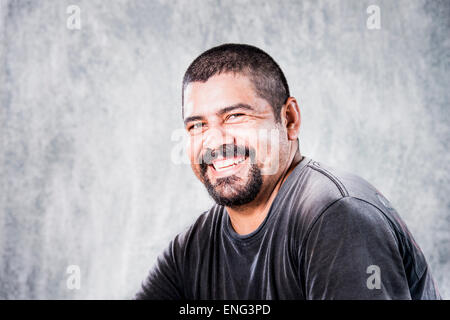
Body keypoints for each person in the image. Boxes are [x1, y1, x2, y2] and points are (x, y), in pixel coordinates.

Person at [135, 43, 441, 300]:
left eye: (235, 116)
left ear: (290, 119)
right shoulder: (192, 249)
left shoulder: (335, 215)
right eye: (197, 125)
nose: (214, 141)